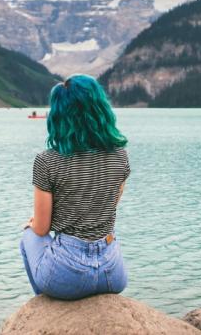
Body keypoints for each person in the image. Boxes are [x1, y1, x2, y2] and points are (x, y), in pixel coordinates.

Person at [20, 74, 130, 300]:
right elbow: (107, 206)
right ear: (100, 109)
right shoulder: (120, 156)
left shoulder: (47, 161)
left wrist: (32, 224)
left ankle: (46, 310)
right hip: (113, 273)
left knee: (29, 237)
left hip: (68, 275)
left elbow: (42, 229)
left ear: (58, 115)